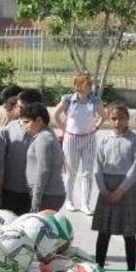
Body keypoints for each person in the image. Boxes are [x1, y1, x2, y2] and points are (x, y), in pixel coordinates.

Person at [92, 104, 136, 271]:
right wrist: (103, 190)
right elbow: (97, 167)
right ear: (109, 119)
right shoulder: (104, 140)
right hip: (106, 188)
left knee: (129, 232)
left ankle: (131, 270)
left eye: (121, 118)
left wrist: (121, 190)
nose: (117, 122)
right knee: (104, 231)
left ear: (127, 119)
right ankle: (98, 268)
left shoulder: (135, 140)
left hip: (126, 189)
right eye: (113, 118)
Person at [53, 73, 103, 213]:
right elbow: (55, 115)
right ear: (78, 85)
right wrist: (64, 129)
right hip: (72, 139)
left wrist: (96, 127)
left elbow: (104, 115)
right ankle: (69, 200)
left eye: (90, 84)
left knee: (87, 172)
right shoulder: (68, 100)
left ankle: (85, 204)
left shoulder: (94, 101)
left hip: (89, 139)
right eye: (87, 84)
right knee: (71, 171)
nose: (90, 86)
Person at [0, 89, 43, 215]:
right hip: (9, 191)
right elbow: (1, 164)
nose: (19, 110)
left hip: (32, 194)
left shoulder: (45, 133)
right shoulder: (10, 129)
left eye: (22, 107)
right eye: (18, 106)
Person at [19, 103, 66, 213]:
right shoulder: (47, 133)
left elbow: (43, 170)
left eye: (27, 122)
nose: (24, 126)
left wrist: (36, 199)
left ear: (39, 120)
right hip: (47, 194)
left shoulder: (43, 138)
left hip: (48, 195)